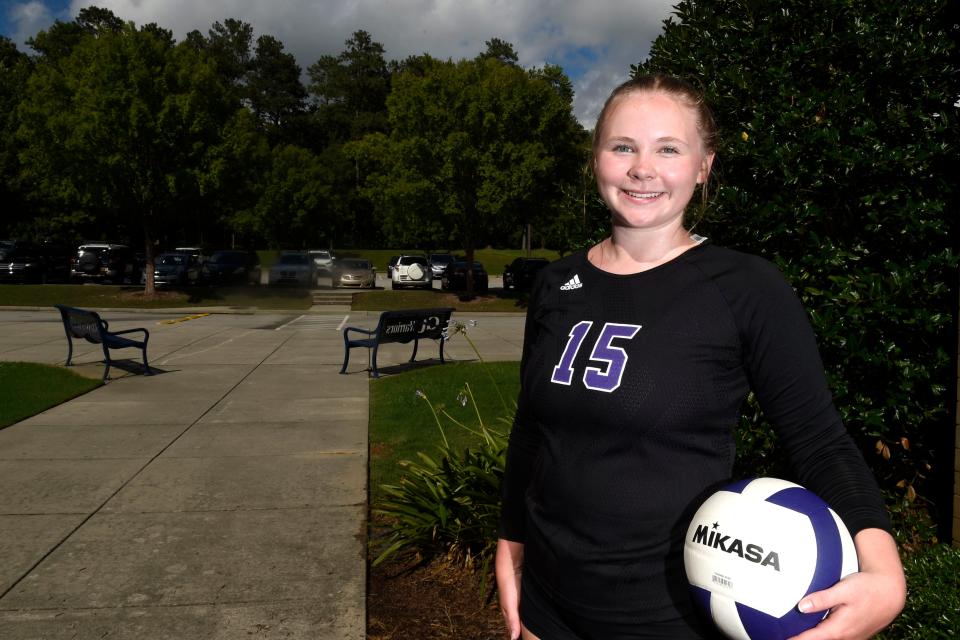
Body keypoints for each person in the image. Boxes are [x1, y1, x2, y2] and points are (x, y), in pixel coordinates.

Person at [495, 74, 905, 640]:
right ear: (596, 160)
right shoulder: (554, 282)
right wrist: (510, 544)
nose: (644, 168)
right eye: (623, 147)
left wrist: (884, 569)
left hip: (668, 618)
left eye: (669, 148)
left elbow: (818, 440)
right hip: (547, 609)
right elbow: (531, 432)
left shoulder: (745, 287)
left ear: (703, 166)